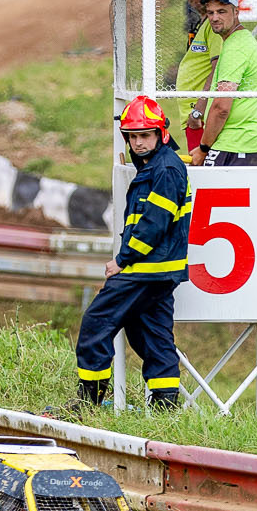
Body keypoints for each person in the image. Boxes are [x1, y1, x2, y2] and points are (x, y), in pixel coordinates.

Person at [74, 96, 189, 408]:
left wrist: (122, 261)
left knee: (97, 322)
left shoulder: (166, 169)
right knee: (152, 335)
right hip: (160, 271)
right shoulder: (158, 165)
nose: (138, 143)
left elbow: (154, 224)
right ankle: (166, 406)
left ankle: (89, 402)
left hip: (146, 269)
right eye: (132, 136)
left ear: (161, 134)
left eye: (145, 135)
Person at [193, 0, 257, 167]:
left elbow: (221, 107)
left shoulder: (235, 48)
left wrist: (203, 148)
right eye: (210, 12)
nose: (214, 18)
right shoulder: (239, 41)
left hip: (236, 143)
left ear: (236, 12)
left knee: (208, 187)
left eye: (221, 11)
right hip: (247, 141)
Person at [176, 0, 224, 155]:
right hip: (196, 116)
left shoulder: (215, 25)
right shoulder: (203, 23)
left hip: (202, 117)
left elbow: (219, 67)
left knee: (203, 170)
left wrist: (199, 109)